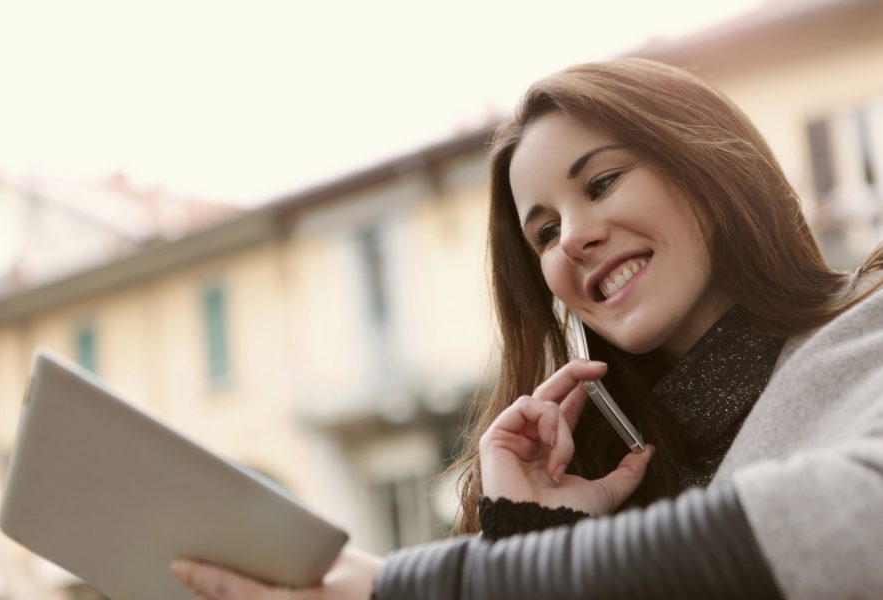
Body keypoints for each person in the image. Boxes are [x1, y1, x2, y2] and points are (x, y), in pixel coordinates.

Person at [169, 58, 883, 599]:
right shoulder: (620, 491)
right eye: (544, 232)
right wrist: (537, 532)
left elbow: (848, 522)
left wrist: (417, 587)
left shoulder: (868, 325)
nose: (571, 237)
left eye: (601, 183)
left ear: (709, 166)